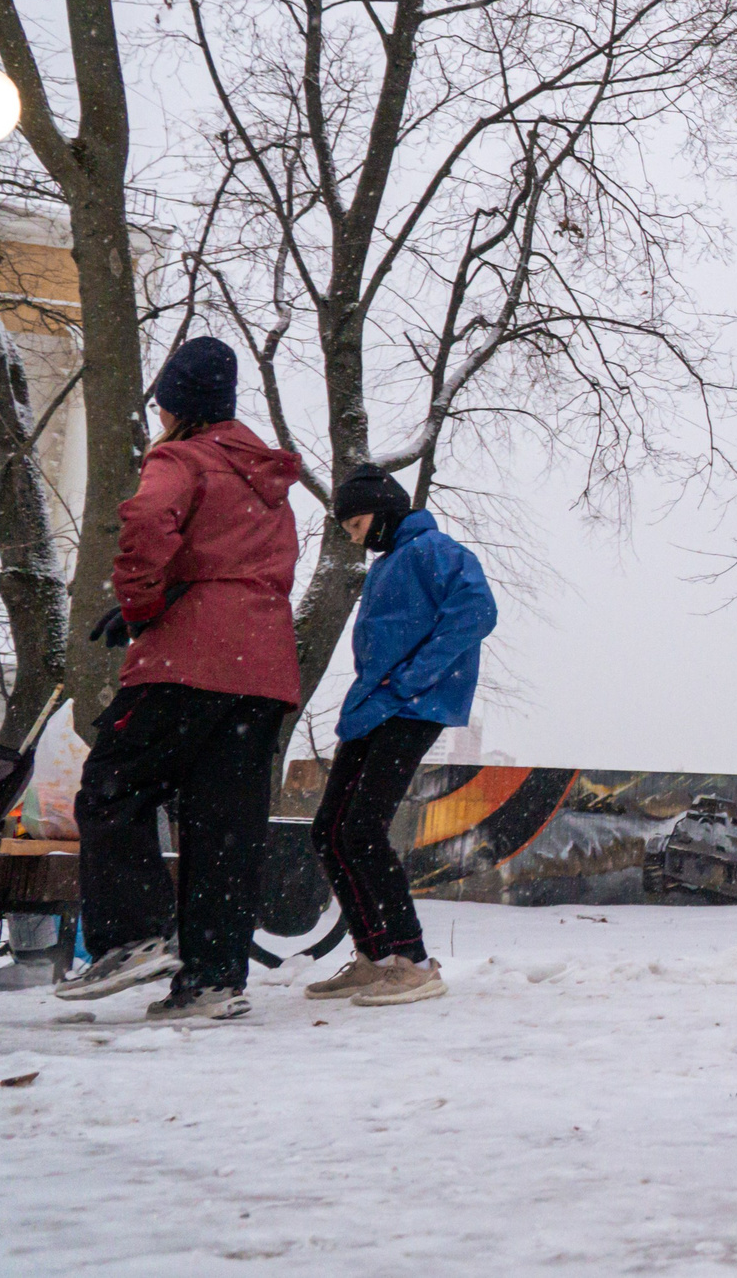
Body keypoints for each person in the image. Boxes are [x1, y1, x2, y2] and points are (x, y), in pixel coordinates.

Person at [55, 338, 304, 1019]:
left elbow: (145, 522)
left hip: (188, 660)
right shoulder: (267, 483)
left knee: (113, 786)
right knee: (224, 823)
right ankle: (213, 978)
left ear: (175, 406)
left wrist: (140, 605)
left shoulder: (180, 456)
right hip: (263, 672)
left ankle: (133, 933)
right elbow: (238, 559)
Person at [304, 465, 498, 1007]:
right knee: (330, 832)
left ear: (386, 511)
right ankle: (375, 955)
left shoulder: (435, 549)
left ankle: (413, 960)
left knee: (363, 829)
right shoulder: (386, 567)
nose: (355, 537)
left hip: (413, 708)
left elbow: (477, 612)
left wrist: (414, 679)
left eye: (359, 523)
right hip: (372, 709)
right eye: (348, 529)